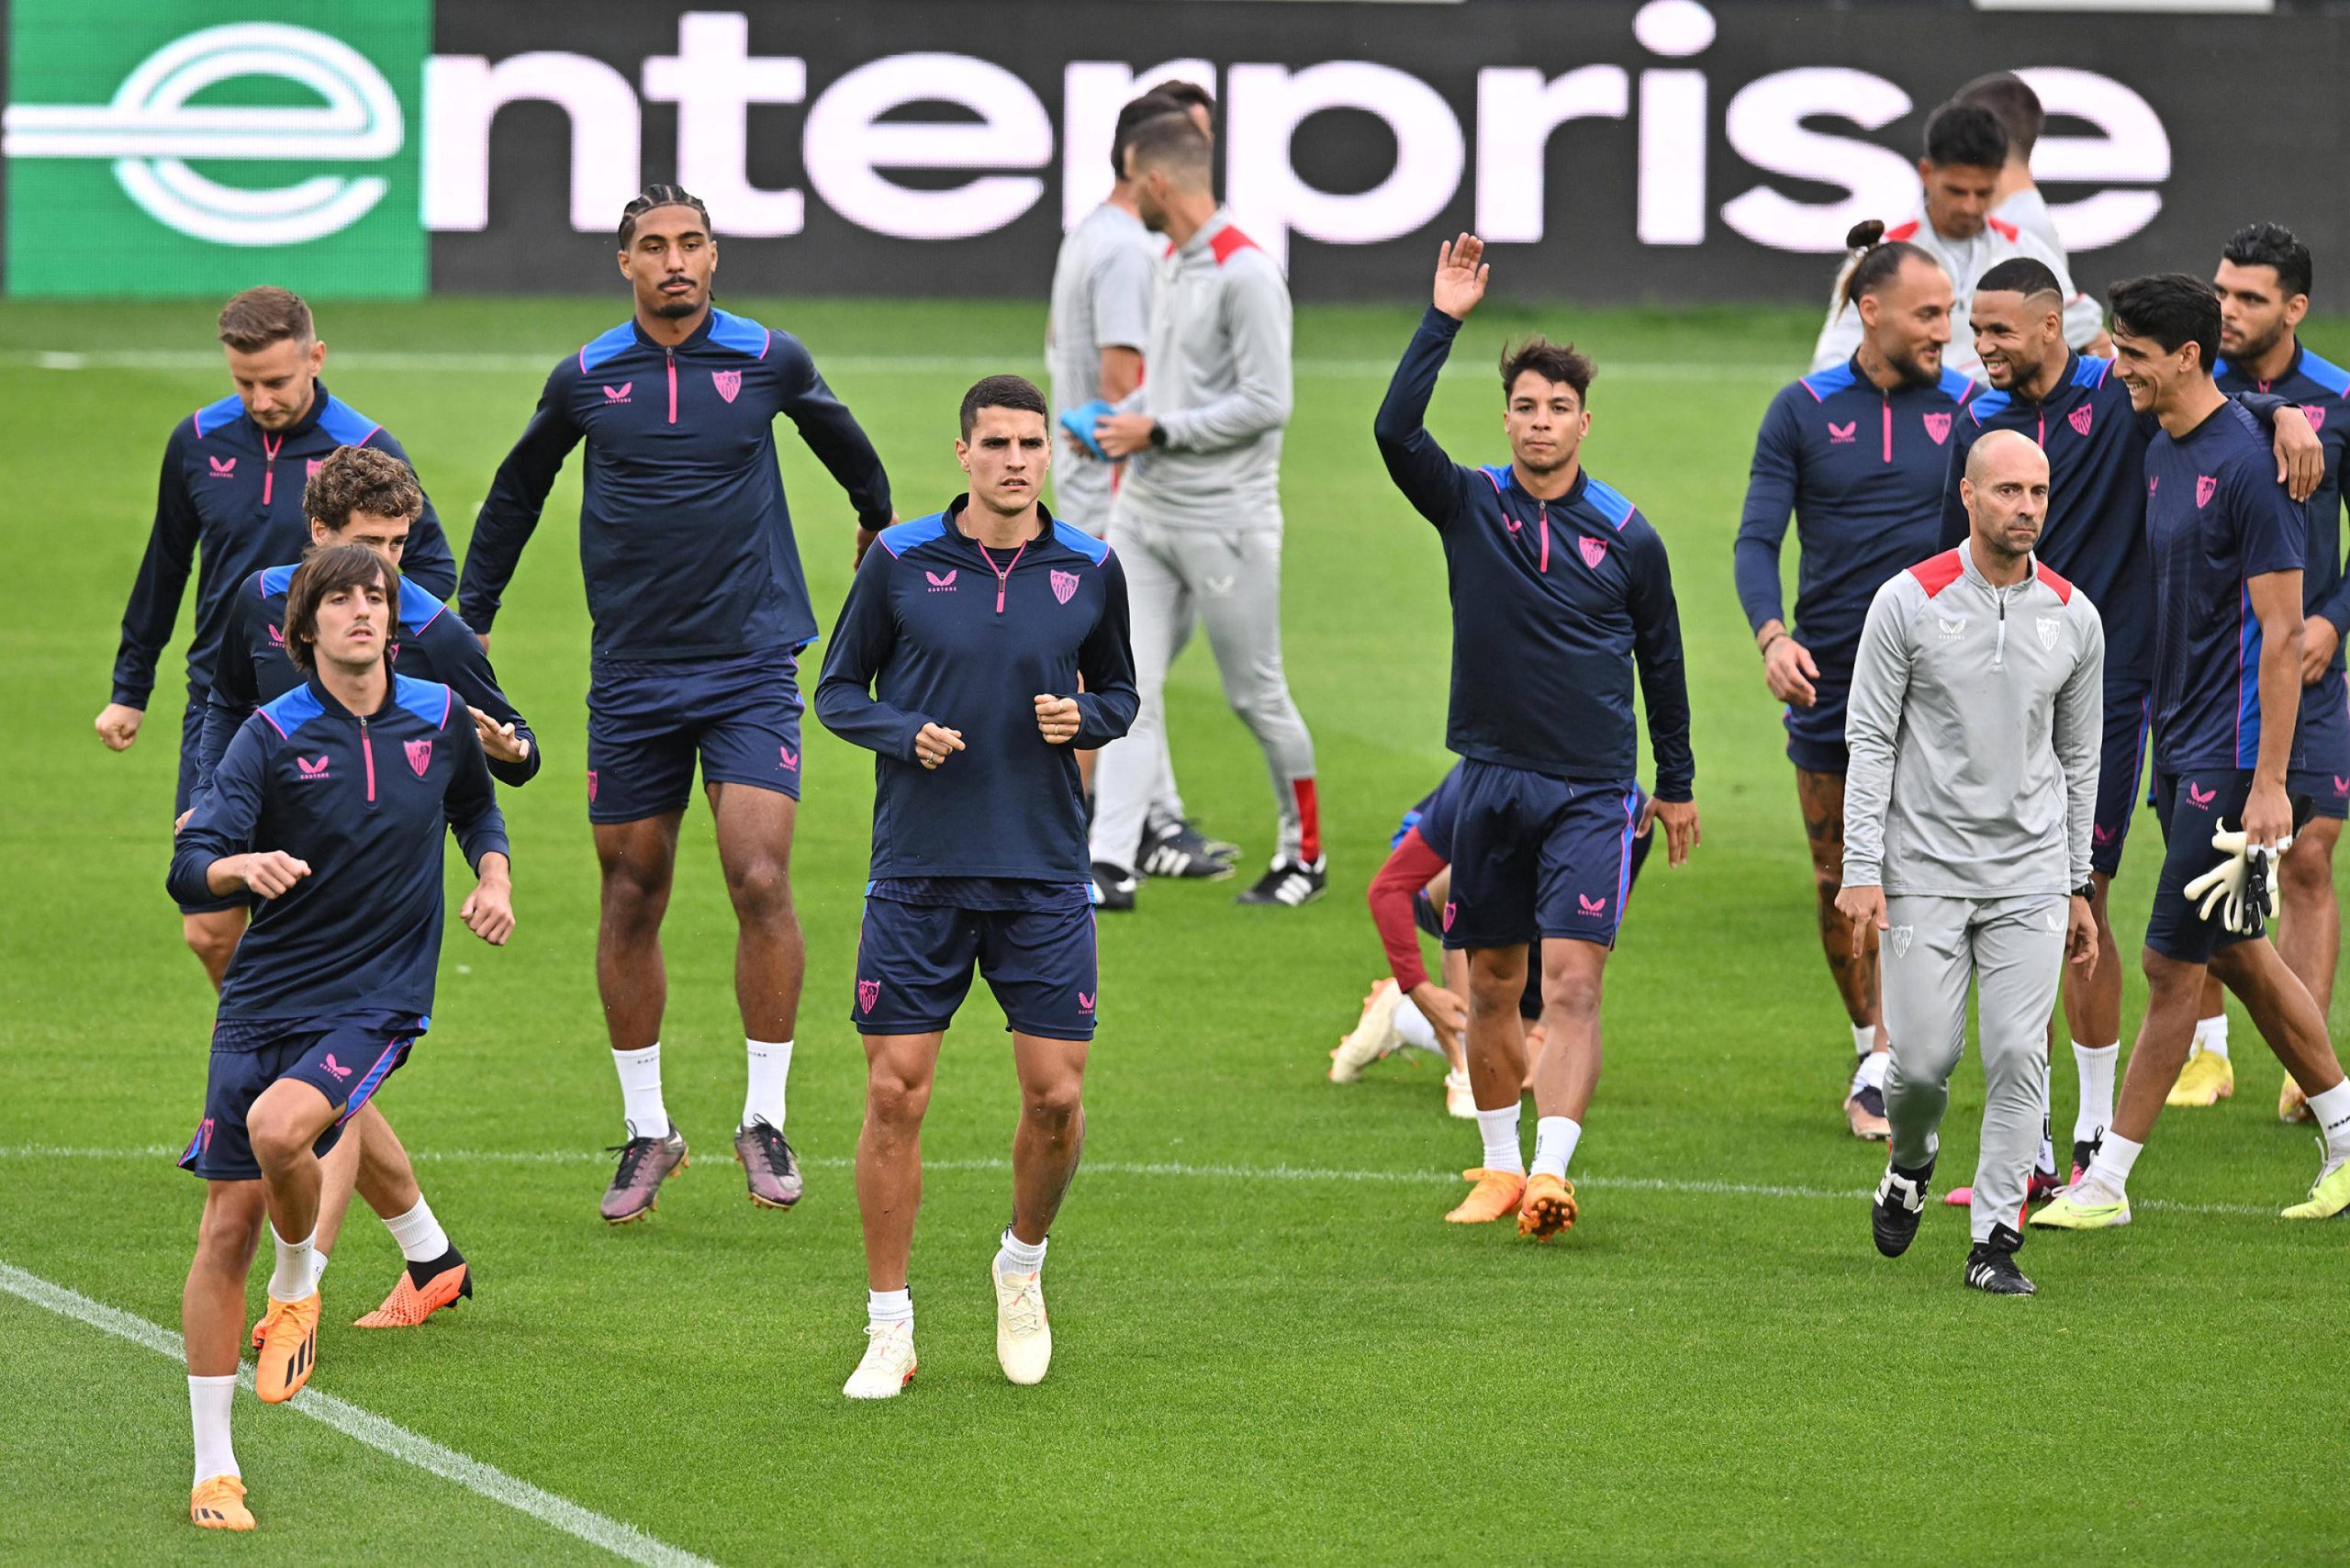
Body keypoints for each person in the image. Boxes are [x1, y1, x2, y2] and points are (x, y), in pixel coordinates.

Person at [459, 185, 895, 1223]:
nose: (675, 262)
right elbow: (517, 492)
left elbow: (847, 446)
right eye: (653, 247)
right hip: (634, 674)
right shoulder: (586, 378)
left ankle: (764, 1116)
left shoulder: (766, 359)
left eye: (691, 243)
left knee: (756, 871)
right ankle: (649, 1128)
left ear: (715, 254)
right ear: (625, 264)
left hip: (748, 661)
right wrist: (472, 616)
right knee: (630, 889)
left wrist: (875, 527)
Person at [1941, 260, 2318, 1190]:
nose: (1981, 347)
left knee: (2080, 903)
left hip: (2111, 697)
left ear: (2052, 328)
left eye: (1998, 330)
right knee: (2019, 904)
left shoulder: (2114, 392)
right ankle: (2030, 1151)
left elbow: (2199, 385)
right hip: (2000, 693)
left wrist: (2283, 412)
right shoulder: (1975, 425)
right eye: (1971, 330)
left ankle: (2087, 1141)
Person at [170, 545, 512, 1530]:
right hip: (265, 996)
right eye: (341, 601)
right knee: (222, 1226)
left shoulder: (442, 716)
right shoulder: (270, 736)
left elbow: (477, 804)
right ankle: (213, 1470)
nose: (363, 611)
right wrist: (242, 868)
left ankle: (297, 1286)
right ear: (305, 628)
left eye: (377, 598)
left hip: (375, 996)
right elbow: (189, 867)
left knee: (284, 1130)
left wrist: (491, 877)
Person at [815, 375, 1136, 1398]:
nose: (1012, 458)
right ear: (961, 453)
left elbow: (1121, 690)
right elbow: (832, 690)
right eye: (993, 442)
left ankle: (1021, 1265)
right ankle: (889, 1326)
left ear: (1049, 454)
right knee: (893, 1092)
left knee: (1055, 1100)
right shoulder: (901, 561)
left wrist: (1083, 721)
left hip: (1043, 872)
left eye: (1029, 442)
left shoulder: (1089, 566)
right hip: (917, 873)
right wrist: (898, 730)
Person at [1376, 233, 1699, 1240]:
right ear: (1506, 417)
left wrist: (1676, 781)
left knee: (1570, 981)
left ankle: (1554, 1171)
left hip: (1591, 791)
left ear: (1582, 421)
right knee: (1494, 981)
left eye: (1557, 407)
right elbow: (1394, 432)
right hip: (1488, 782)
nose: (1540, 422)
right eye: (1524, 405)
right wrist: (1442, 319)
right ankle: (1498, 1167)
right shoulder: (1470, 503)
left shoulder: (1626, 534)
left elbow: (1663, 659)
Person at [193, 443, 542, 1327]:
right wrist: (210, 808)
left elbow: (514, 751)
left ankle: (298, 1293)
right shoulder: (262, 601)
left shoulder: (428, 632)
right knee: (305, 1064)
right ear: (317, 536)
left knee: (323, 1096)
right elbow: (223, 698)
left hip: (372, 901)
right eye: (363, 543)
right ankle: (431, 1256)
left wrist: (511, 751)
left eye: (397, 545)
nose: (382, 570)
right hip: (281, 876)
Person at [2033, 274, 2350, 1229]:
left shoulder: (2250, 471)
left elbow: (2285, 636)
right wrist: (2281, 404)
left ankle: (2106, 1179)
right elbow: (2237, 394)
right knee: (2242, 954)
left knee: (2174, 965)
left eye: (2131, 352)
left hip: (2231, 758)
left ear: (2182, 356)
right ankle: (2345, 1133)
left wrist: (2267, 789)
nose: (2114, 365)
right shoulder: (2165, 439)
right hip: (2176, 748)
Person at [96, 286, 457, 990]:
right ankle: (304, 1079)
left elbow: (432, 566)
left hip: (332, 716)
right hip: (224, 705)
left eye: (277, 382)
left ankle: (299, 1083)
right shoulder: (197, 442)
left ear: (315, 358)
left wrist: (376, 653)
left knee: (311, 924)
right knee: (209, 925)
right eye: (244, 382)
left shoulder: (367, 449)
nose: (260, 399)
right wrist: (128, 690)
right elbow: (165, 567)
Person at [1841, 430, 2104, 1295]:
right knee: (1918, 1063)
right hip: (1922, 871)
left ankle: (1995, 1240)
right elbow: (1871, 737)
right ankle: (1910, 1167)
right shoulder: (1907, 602)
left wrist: (2074, 885)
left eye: (2038, 492)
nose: (2026, 508)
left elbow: (2080, 757)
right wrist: (1861, 866)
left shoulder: (2074, 616)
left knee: (2021, 1054)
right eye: (2008, 492)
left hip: (2029, 874)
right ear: (1968, 495)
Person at [1736, 228, 1976, 1138]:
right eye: (1927, 314)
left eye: (1949, 315)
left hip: (1949, 684)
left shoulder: (1969, 404)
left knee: (1932, 876)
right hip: (1829, 682)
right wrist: (1771, 637)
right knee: (1839, 869)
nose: (1942, 331)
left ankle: (1912, 1046)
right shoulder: (1799, 410)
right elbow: (1757, 539)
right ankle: (1872, 1049)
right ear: (1867, 312)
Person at [1084, 113, 1325, 910]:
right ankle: (1109, 863)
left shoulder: (1245, 272)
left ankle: (1305, 853)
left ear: (1156, 182)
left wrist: (1158, 428)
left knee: (1255, 693)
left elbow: (1269, 402)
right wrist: (1122, 429)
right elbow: (1179, 386)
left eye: (1131, 180)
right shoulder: (1171, 262)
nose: (1127, 197)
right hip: (1146, 513)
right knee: (1127, 682)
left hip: (1226, 522)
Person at [1046, 86, 1232, 879]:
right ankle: (1100, 827)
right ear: (1147, 160)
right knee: (1123, 666)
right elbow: (1126, 379)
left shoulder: (1095, 233)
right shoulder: (1127, 250)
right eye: (1191, 145)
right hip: (1121, 491)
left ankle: (1150, 818)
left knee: (1132, 663)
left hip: (1098, 485)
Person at [2210, 222, 2350, 1124]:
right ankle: (2201, 1049)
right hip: (2209, 663)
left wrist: (2333, 622)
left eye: (2249, 298)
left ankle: (2309, 1070)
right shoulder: (2195, 385)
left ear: (2294, 308)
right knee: (2217, 854)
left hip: (2310, 662)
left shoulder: (2340, 395)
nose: (2228, 312)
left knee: (2306, 850)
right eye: (2221, 293)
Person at [1336, 765, 1657, 1121]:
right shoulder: (1499, 774)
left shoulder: (1629, 815)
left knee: (1519, 1061)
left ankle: (1399, 1014)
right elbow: (1436, 893)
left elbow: (1591, 946)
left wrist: (1544, 1034)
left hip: (1534, 901)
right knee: (1486, 1057)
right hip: (1441, 880)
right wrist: (1465, 1061)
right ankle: (1458, 1060)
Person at [1809, 102, 2099, 380]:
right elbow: (1834, 356)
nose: (1970, 207)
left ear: (1998, 179)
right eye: (1957, 191)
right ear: (1926, 173)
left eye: (1982, 192)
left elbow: (2083, 321)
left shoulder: (2026, 248)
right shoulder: (1882, 254)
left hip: (2000, 420)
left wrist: (1965, 379)